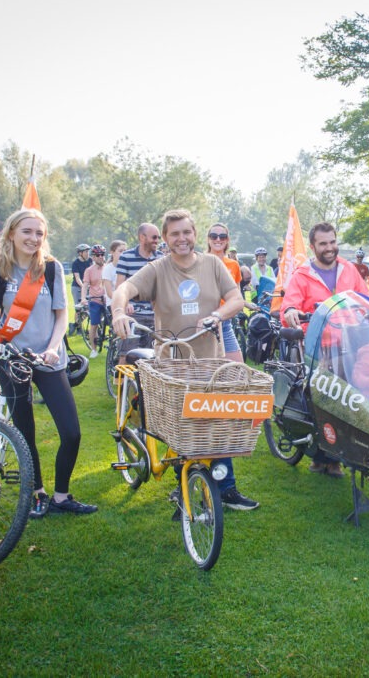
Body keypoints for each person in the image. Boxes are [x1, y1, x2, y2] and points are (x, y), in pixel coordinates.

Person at [0, 208, 94, 517]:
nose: (33, 238)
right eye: (27, 231)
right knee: (25, 432)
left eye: (39, 233)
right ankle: (37, 493)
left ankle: (61, 497)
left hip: (48, 359)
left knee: (71, 432)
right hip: (11, 360)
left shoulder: (50, 269)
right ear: (11, 233)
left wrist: (53, 348)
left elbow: (62, 315)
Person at [111, 209, 258, 511]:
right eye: (174, 234)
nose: (182, 239)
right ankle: (184, 490)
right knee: (182, 429)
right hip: (172, 363)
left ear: (194, 233)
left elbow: (236, 299)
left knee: (218, 423)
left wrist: (218, 314)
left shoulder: (213, 264)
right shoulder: (157, 269)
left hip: (209, 361)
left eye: (186, 232)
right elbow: (124, 288)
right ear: (165, 238)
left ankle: (226, 489)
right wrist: (117, 311)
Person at [281, 222, 369, 477]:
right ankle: (321, 457)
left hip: (349, 345)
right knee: (322, 402)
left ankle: (337, 456)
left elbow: (365, 299)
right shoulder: (302, 274)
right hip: (317, 348)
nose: (330, 247)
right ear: (313, 246)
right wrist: (291, 312)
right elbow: (289, 305)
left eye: (332, 241)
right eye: (323, 243)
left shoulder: (349, 269)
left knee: (346, 402)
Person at [114, 224, 162, 364]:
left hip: (154, 315)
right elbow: (120, 286)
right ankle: (120, 383)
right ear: (142, 237)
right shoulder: (126, 257)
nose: (157, 241)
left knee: (152, 357)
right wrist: (126, 304)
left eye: (158, 238)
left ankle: (145, 385)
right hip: (133, 314)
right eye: (154, 237)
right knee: (126, 354)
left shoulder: (161, 258)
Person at [205, 222, 245, 364]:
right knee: (206, 369)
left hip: (225, 322)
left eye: (222, 236)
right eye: (213, 236)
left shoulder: (233, 265)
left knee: (238, 368)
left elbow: (238, 296)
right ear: (208, 239)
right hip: (204, 322)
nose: (218, 239)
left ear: (227, 240)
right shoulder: (199, 262)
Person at [81, 244, 108, 357]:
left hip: (107, 300)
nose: (101, 257)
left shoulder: (108, 267)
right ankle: (93, 349)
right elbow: (85, 285)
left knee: (113, 323)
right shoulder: (89, 270)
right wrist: (83, 298)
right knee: (94, 324)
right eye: (98, 255)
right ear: (93, 257)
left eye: (102, 254)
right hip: (95, 300)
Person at [68, 243, 92, 334]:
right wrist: (83, 287)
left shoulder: (90, 261)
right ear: (80, 253)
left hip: (88, 287)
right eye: (86, 252)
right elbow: (77, 277)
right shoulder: (76, 263)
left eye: (88, 251)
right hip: (77, 287)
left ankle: (74, 325)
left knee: (88, 308)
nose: (87, 253)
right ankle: (79, 329)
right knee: (79, 308)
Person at [101, 239, 127, 306]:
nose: (123, 253)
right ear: (112, 252)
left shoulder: (128, 266)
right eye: (120, 251)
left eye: (125, 251)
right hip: (114, 304)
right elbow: (110, 293)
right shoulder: (108, 269)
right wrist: (124, 301)